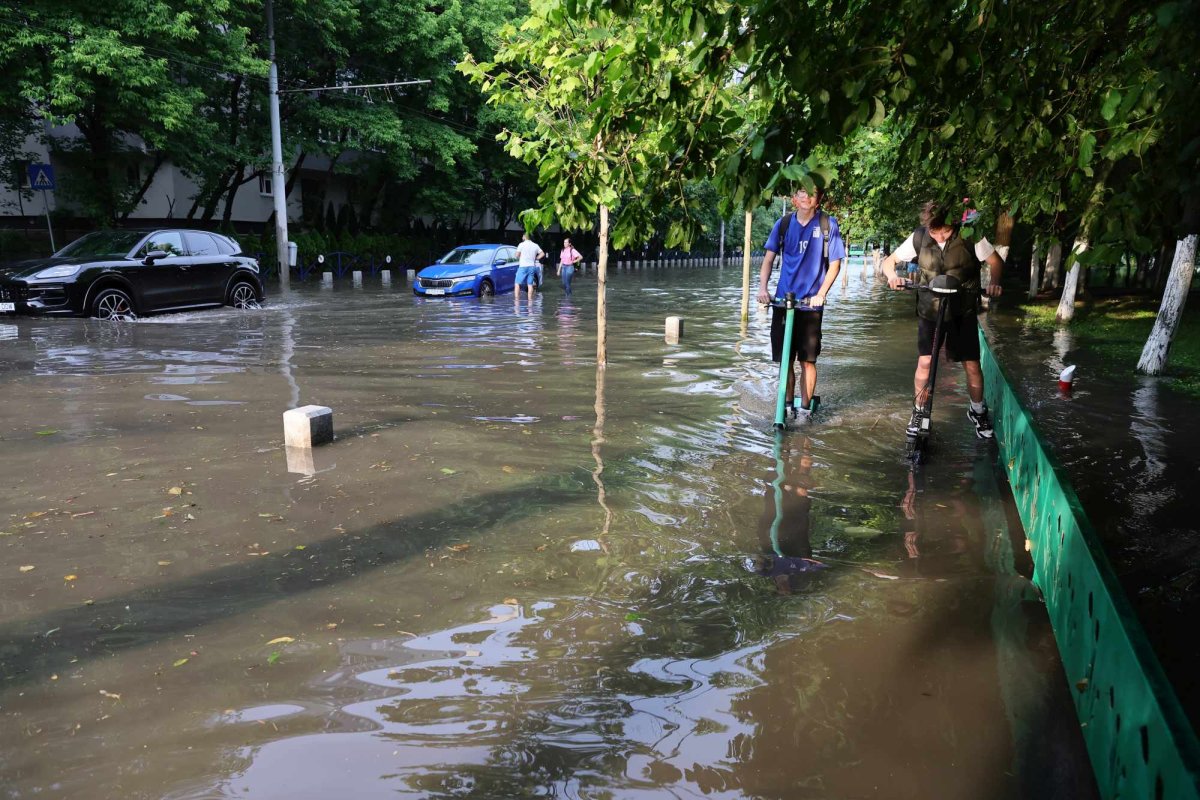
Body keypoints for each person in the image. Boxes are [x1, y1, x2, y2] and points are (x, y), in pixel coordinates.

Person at [881, 200, 1005, 439]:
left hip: (963, 310)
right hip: (930, 310)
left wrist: (995, 283)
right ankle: (919, 412)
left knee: (971, 364)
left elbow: (995, 262)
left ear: (955, 224)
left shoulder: (971, 236)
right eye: (934, 232)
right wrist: (892, 276)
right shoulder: (918, 237)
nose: (939, 236)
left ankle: (977, 411)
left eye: (946, 231)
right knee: (925, 363)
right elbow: (889, 262)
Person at [757, 186, 846, 421]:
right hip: (783, 302)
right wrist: (763, 288)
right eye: (801, 192)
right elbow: (768, 259)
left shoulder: (828, 224)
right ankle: (786, 406)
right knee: (784, 360)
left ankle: (805, 411)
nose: (806, 197)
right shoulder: (783, 224)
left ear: (819, 199)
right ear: (794, 198)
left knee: (807, 360)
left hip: (810, 305)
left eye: (812, 193)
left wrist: (822, 293)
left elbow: (835, 264)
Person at [515, 232, 545, 301]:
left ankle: (516, 302)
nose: (522, 236)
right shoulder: (535, 245)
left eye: (523, 235)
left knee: (517, 284)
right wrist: (536, 258)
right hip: (531, 266)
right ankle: (530, 301)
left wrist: (520, 256)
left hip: (523, 266)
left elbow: (517, 255)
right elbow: (542, 253)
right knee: (530, 284)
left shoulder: (521, 244)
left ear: (525, 236)